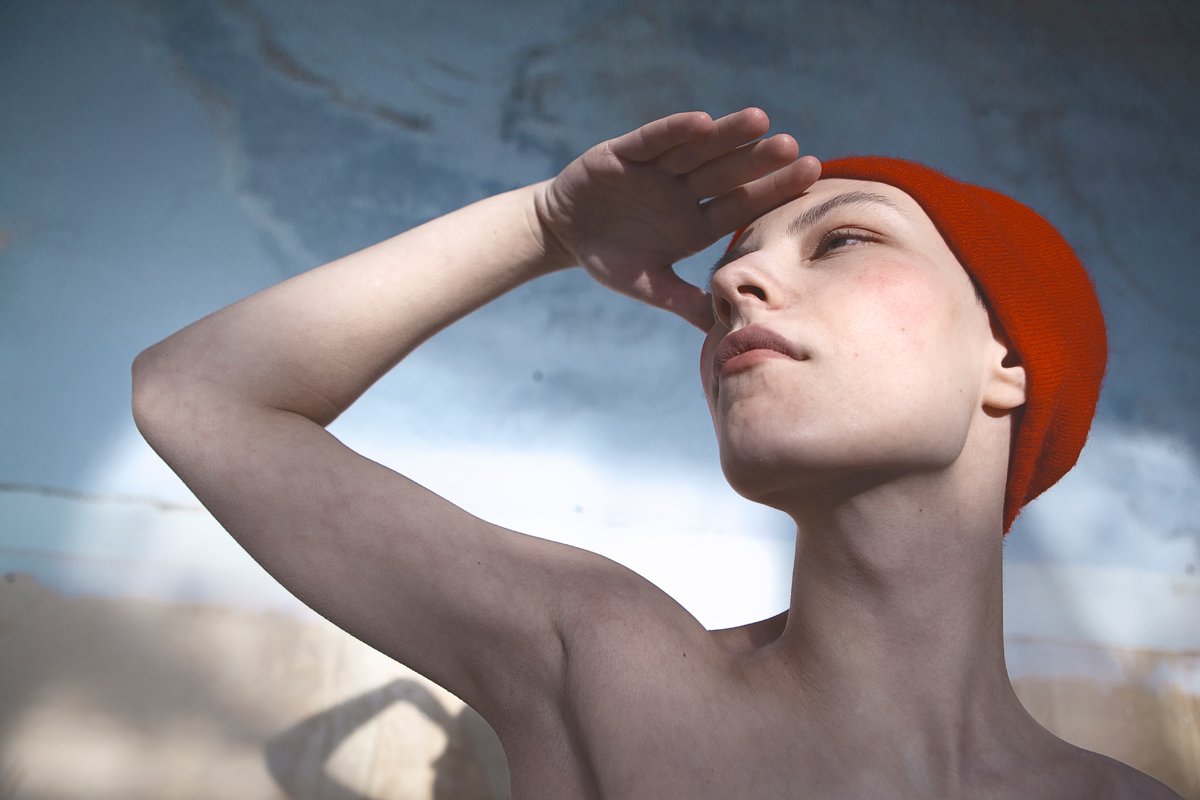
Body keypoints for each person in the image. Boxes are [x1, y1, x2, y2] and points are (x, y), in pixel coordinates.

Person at [132, 108, 1181, 799]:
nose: (731, 286)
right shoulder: (608, 666)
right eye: (732, 269)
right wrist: (544, 225)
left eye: (843, 240)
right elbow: (194, 392)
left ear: (1009, 361)